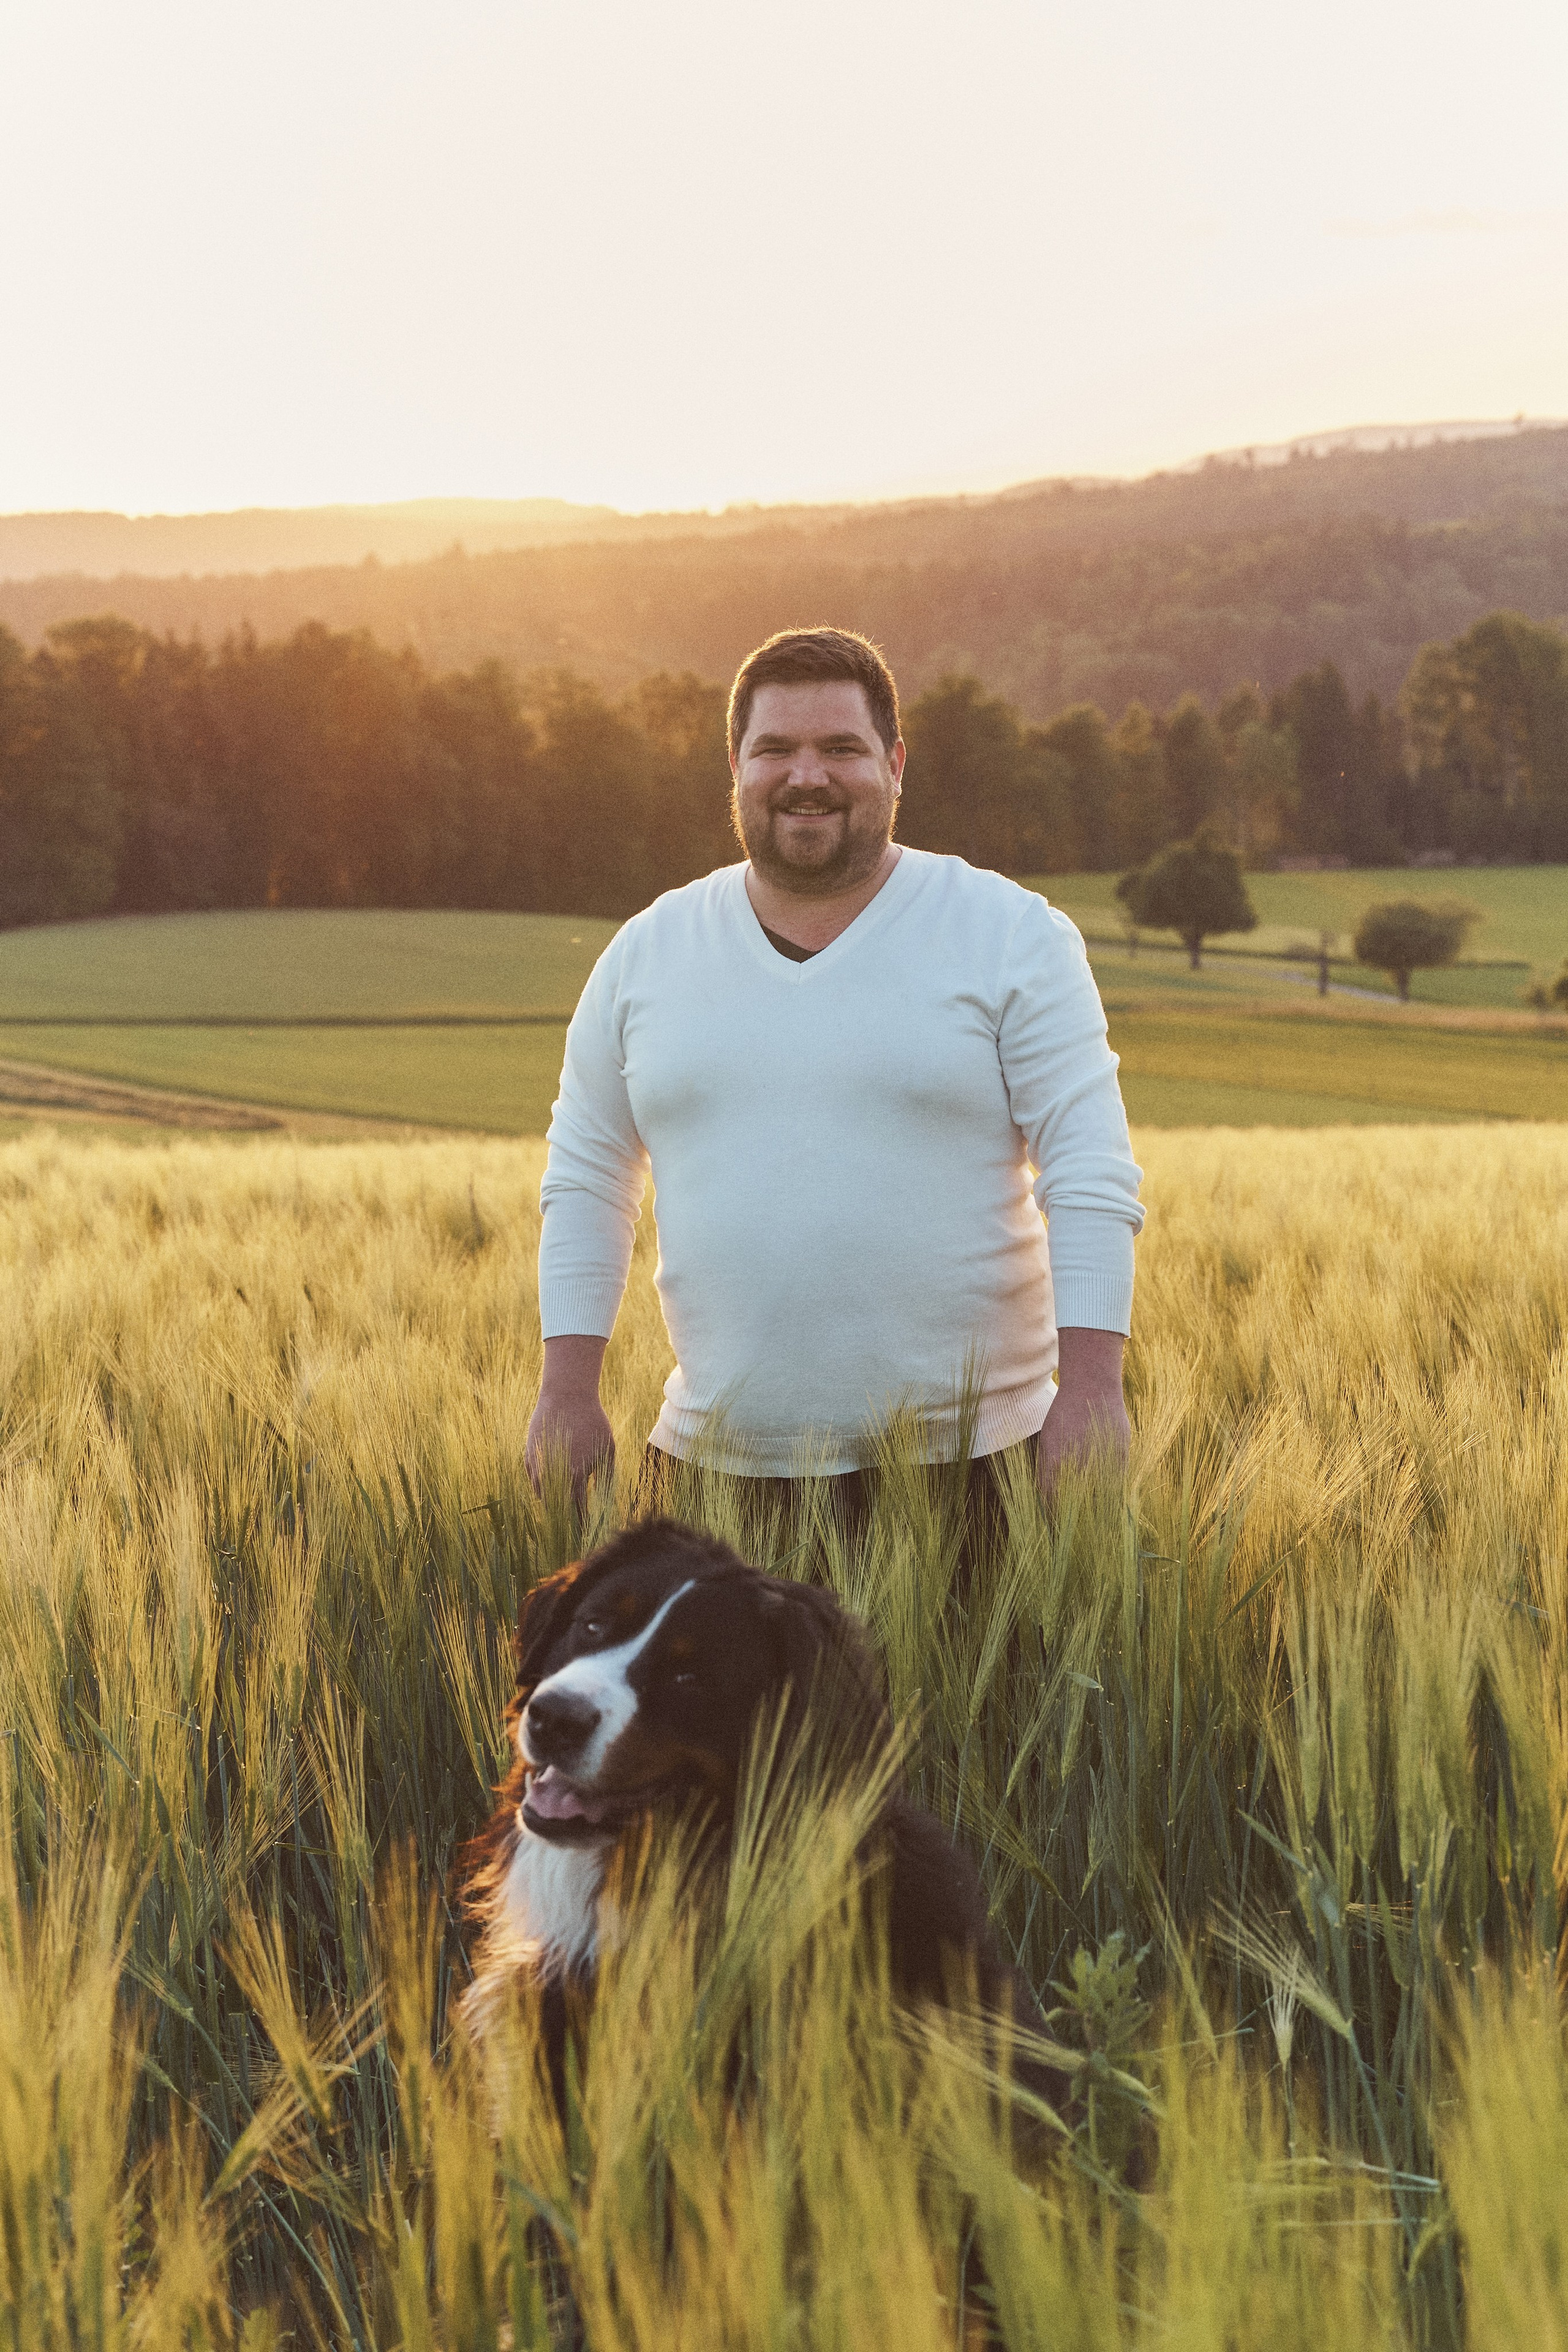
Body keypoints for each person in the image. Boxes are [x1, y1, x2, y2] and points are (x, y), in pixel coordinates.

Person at [525, 627, 1144, 1513]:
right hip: (708, 1474)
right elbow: (587, 1180)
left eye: (840, 749)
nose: (805, 775)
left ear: (895, 764)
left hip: (974, 1474)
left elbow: (1088, 1174)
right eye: (774, 748)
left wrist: (1091, 1389)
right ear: (733, 768)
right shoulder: (645, 955)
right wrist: (566, 1392)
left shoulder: (1011, 935)